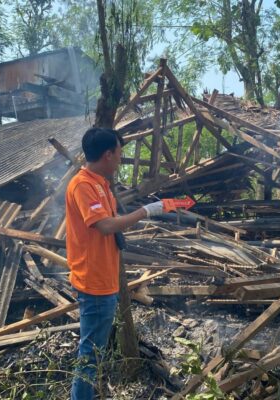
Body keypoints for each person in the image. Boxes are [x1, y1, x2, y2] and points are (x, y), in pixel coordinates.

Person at [65, 127, 165, 400]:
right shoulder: (83, 184)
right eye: (119, 153)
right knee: (90, 355)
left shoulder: (100, 183)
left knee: (94, 352)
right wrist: (144, 211)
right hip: (93, 281)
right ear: (108, 154)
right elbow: (105, 225)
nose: (121, 158)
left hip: (104, 279)